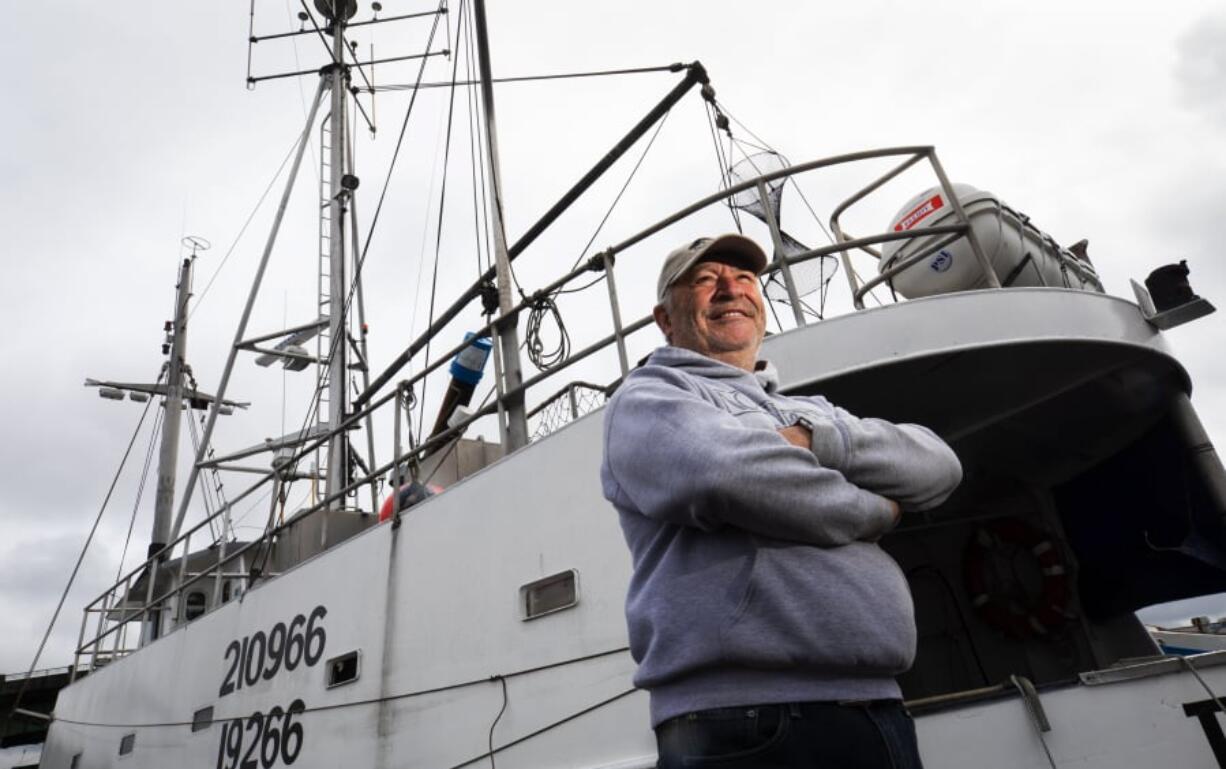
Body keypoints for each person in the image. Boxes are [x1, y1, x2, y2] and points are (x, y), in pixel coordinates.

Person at [599, 233, 962, 769]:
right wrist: (875, 511)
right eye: (705, 280)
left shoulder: (809, 409)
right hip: (747, 721)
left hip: (878, 707)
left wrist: (816, 439)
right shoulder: (649, 396)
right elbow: (722, 474)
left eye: (744, 279)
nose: (730, 290)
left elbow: (938, 465)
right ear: (664, 319)